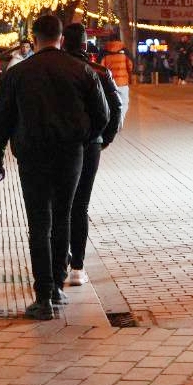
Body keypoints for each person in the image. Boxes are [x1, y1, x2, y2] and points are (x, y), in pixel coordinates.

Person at [0, 15, 110, 321]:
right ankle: (56, 286)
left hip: (32, 156)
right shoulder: (81, 70)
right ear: (60, 38)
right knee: (64, 216)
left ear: (35, 37)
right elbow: (103, 115)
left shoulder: (17, 74)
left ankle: (43, 298)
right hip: (71, 154)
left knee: (39, 223)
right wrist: (85, 136)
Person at [61, 23, 122, 287]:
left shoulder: (55, 68)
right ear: (85, 45)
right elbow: (115, 109)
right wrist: (103, 139)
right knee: (80, 204)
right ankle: (77, 267)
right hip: (90, 145)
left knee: (59, 203)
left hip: (60, 144)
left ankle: (61, 258)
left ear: (63, 43)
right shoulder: (99, 71)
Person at [101, 39, 133, 127]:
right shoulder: (125, 52)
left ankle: (114, 122)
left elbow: (101, 68)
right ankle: (120, 120)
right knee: (125, 103)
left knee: (112, 103)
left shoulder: (105, 53)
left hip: (110, 84)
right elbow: (130, 66)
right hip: (122, 83)